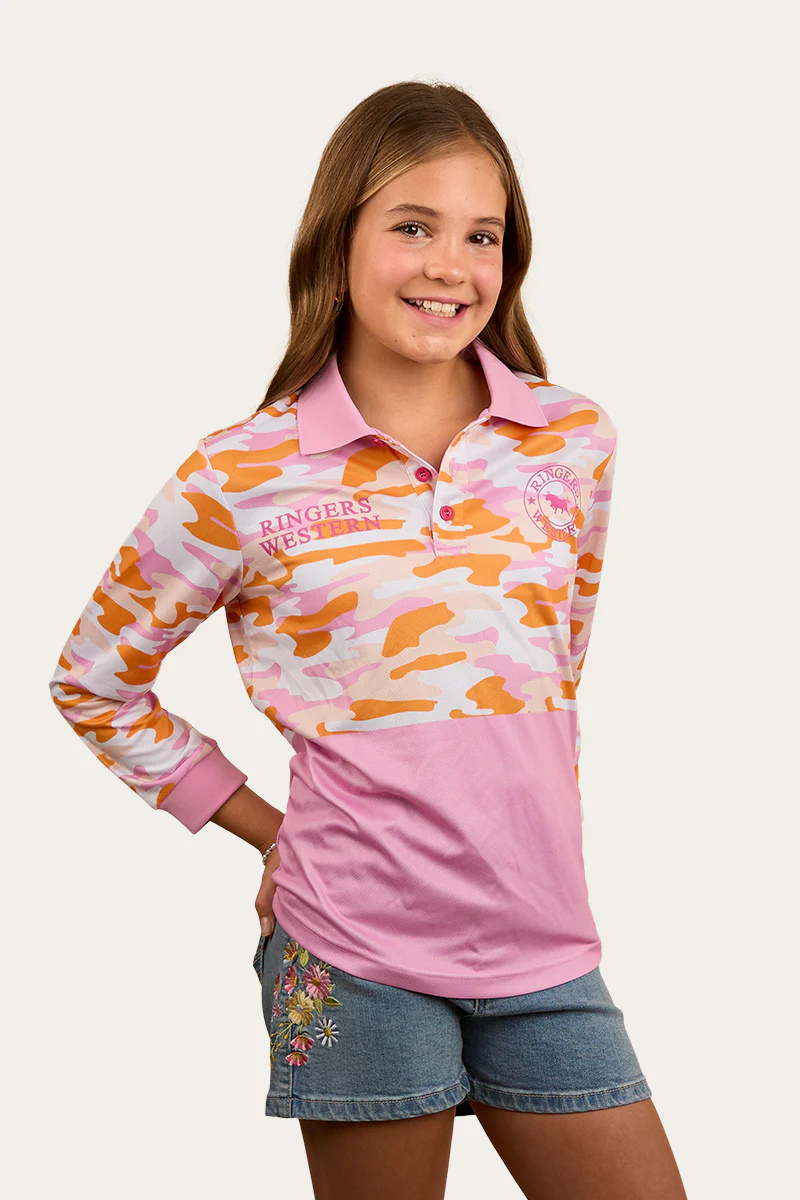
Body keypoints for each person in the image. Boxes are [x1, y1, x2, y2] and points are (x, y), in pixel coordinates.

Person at [49, 80, 687, 1200]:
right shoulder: (240, 472)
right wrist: (268, 831)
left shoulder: (570, 440)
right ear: (336, 241)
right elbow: (95, 682)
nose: (452, 265)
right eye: (413, 226)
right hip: (345, 954)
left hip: (544, 942)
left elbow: (554, 666)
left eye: (481, 235)